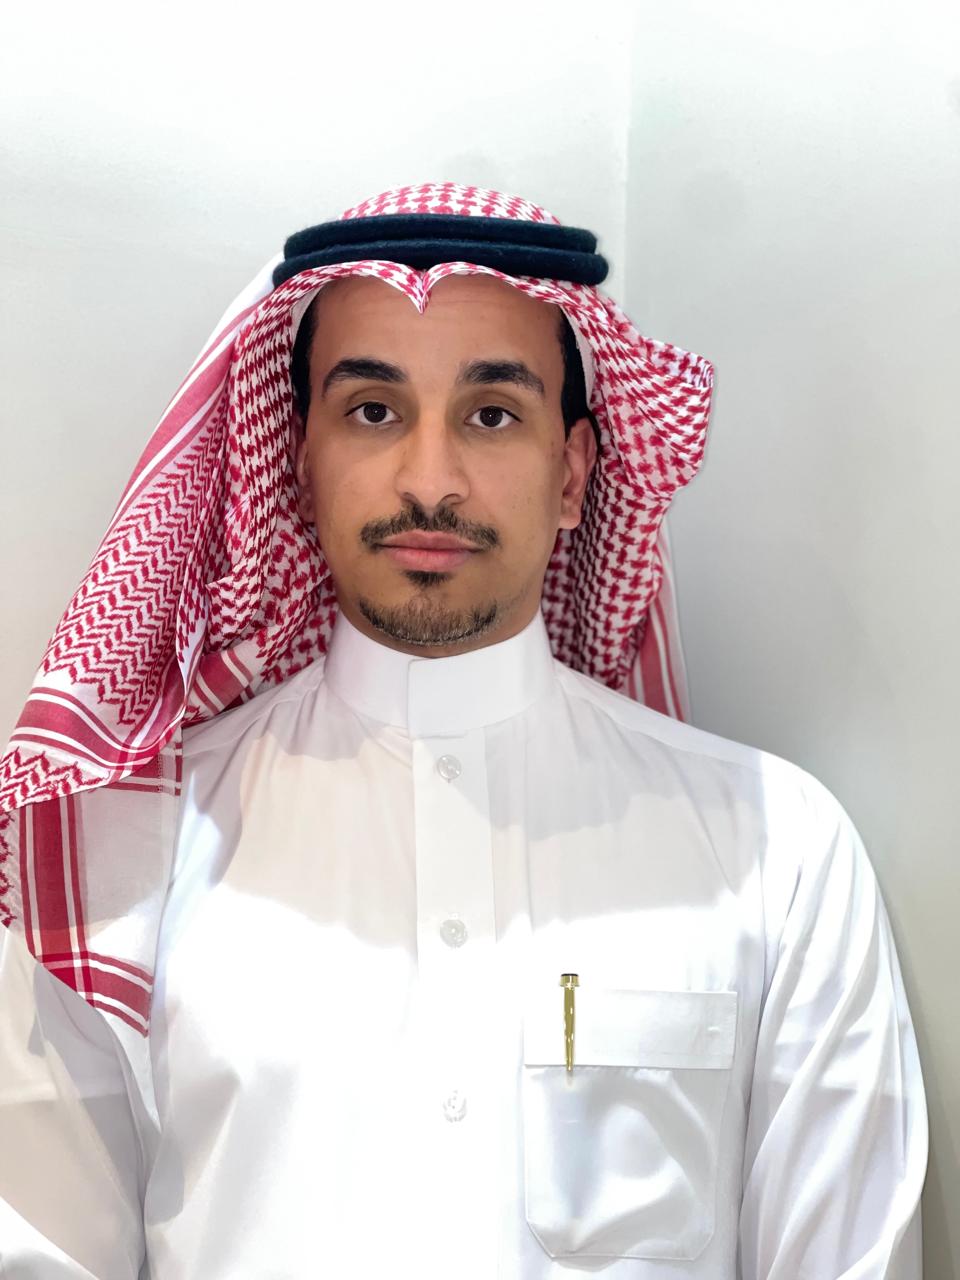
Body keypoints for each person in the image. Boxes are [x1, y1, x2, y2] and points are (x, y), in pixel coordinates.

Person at [0, 183, 926, 1278]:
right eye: (372, 411)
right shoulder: (117, 852)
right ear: (296, 459)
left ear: (573, 474)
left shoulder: (777, 849)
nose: (429, 481)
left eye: (492, 414)